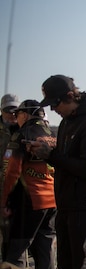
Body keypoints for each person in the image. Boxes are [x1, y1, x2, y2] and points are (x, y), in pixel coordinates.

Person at [30, 74, 86, 269]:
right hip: (65, 205)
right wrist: (46, 152)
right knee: (65, 265)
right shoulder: (67, 122)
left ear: (69, 97)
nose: (54, 109)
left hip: (84, 208)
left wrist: (51, 156)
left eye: (55, 103)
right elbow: (65, 159)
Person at [1, 100, 56, 269]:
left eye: (18, 115)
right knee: (44, 252)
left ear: (25, 114)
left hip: (29, 202)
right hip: (52, 202)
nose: (16, 119)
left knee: (15, 254)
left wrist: (3, 201)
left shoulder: (21, 135)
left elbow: (11, 173)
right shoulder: (52, 134)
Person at [1, 93, 20, 260]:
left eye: (15, 110)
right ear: (1, 110)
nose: (12, 114)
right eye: (8, 110)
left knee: (11, 237)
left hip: (15, 191)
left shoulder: (24, 129)